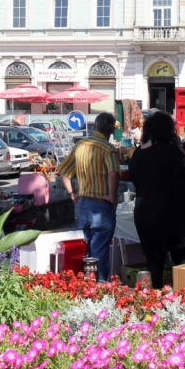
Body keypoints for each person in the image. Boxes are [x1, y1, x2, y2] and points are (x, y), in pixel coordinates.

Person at [129, 112, 185, 289]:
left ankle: (154, 302)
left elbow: (136, 182)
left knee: (154, 263)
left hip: (146, 214)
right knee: (182, 261)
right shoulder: (172, 152)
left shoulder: (138, 155)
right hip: (173, 215)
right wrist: (179, 146)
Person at [58, 112, 120, 282]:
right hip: (101, 204)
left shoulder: (80, 145)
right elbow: (113, 173)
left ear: (95, 126)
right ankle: (97, 285)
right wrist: (112, 196)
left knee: (88, 246)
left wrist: (72, 194)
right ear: (111, 131)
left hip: (84, 203)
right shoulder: (109, 149)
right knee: (99, 248)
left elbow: (63, 171)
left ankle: (88, 283)